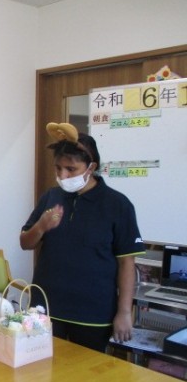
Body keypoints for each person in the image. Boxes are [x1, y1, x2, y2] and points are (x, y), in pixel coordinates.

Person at [19, 122, 145, 353]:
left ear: (91, 167)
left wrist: (124, 312)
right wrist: (41, 226)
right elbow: (25, 243)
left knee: (86, 372)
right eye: (58, 168)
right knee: (42, 367)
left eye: (71, 169)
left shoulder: (117, 204)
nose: (62, 175)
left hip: (93, 313)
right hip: (46, 308)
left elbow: (126, 262)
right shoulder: (51, 197)